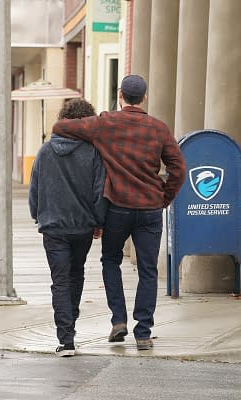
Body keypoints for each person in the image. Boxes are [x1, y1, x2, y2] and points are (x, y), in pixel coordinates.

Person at [51, 75, 186, 351]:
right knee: (148, 270)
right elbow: (179, 168)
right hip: (149, 208)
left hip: (117, 208)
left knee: (110, 261)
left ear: (120, 94)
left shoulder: (105, 123)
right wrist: (165, 197)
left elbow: (60, 126)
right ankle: (144, 331)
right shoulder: (159, 129)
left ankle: (118, 320)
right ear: (144, 98)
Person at [29, 98, 108, 357]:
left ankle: (66, 338)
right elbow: (99, 191)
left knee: (60, 280)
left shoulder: (45, 151)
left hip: (53, 227)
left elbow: (35, 189)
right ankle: (70, 322)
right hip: (82, 227)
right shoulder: (93, 152)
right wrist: (98, 222)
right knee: (76, 275)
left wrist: (37, 215)